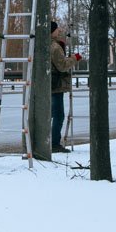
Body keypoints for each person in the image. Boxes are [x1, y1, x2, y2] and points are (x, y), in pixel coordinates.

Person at [50, 21, 81, 154]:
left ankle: (49, 141)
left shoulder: (45, 44)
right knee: (58, 115)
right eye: (56, 30)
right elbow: (62, 65)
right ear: (51, 31)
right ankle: (54, 143)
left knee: (52, 114)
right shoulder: (55, 47)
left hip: (48, 83)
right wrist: (75, 58)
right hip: (56, 84)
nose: (58, 32)